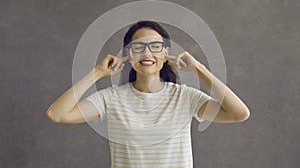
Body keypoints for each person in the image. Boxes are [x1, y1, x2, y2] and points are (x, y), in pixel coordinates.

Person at [46, 20, 250, 167]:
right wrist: (98, 73)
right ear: (128, 54)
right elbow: (57, 114)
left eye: (155, 46)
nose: (147, 53)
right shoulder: (111, 98)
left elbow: (239, 113)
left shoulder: (185, 97)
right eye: (138, 47)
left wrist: (199, 69)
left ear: (165, 52)